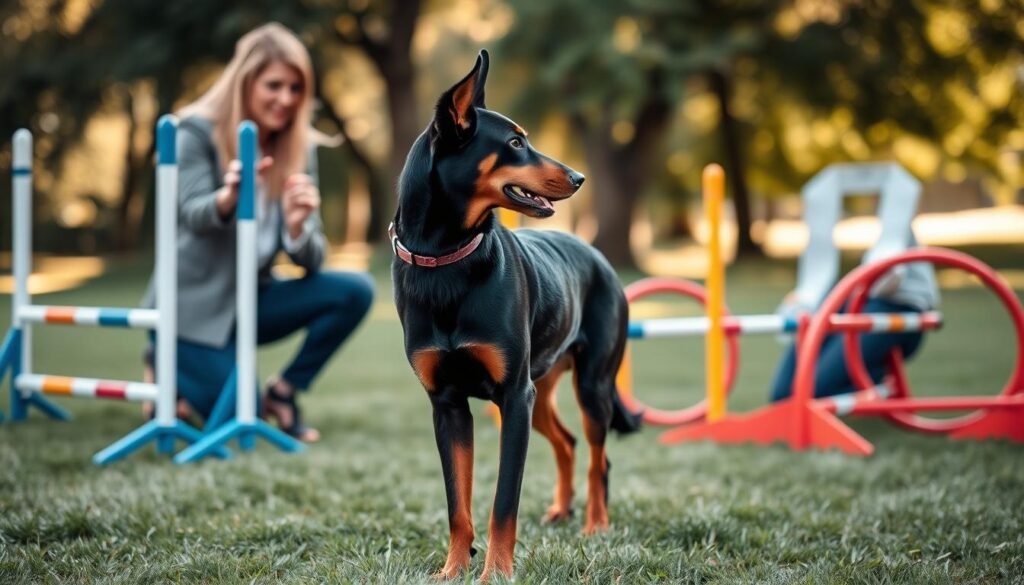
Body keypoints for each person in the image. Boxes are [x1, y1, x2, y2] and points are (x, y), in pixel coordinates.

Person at [141, 23, 374, 441]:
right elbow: (192, 212)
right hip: (191, 310)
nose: (286, 99)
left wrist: (298, 228)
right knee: (237, 417)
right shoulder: (193, 131)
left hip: (253, 300)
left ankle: (283, 392)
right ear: (245, 82)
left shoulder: (298, 145)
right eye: (274, 85)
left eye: (295, 88)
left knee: (355, 290)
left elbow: (313, 260)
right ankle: (164, 361)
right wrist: (229, 197)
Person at [769, 232, 939, 401]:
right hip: (842, 298)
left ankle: (875, 382)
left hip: (896, 302)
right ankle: (869, 378)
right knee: (782, 396)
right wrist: (805, 299)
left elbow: (889, 269)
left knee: (812, 393)